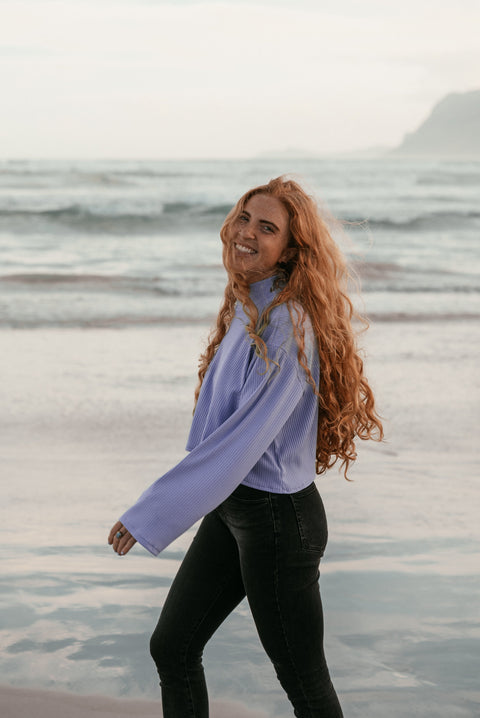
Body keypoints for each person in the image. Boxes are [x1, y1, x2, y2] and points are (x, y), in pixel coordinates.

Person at [108, 176, 383, 717]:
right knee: (173, 647)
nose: (247, 233)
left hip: (277, 521)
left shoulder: (289, 324)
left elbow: (239, 443)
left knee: (304, 683)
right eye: (243, 218)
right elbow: (219, 431)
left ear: (291, 248)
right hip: (234, 506)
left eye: (267, 227)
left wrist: (154, 510)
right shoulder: (248, 306)